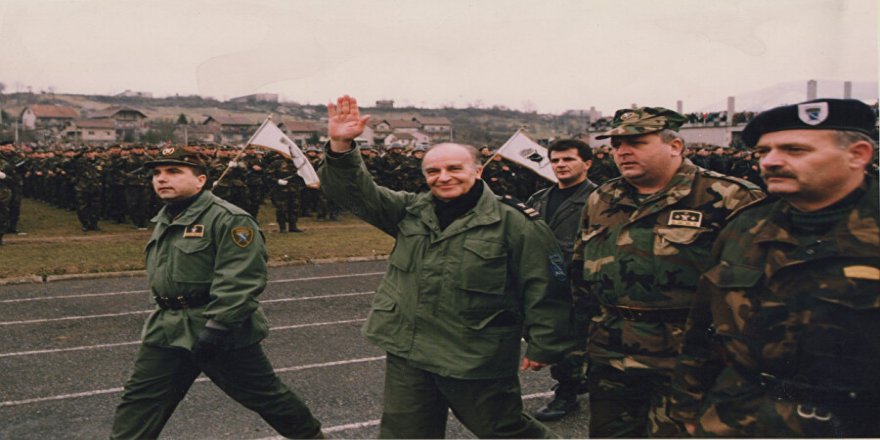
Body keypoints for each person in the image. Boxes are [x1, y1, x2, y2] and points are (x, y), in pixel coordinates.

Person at [319, 95, 577, 439]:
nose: (444, 178)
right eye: (433, 171)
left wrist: (544, 344)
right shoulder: (410, 211)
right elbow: (354, 192)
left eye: (454, 168)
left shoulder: (514, 223)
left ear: (477, 170)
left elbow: (544, 286)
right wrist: (340, 144)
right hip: (409, 348)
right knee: (404, 433)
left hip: (474, 353)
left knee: (504, 430)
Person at [671, 98, 879, 437]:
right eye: (763, 151)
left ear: (858, 155)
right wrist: (688, 405)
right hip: (736, 415)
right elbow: (703, 328)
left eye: (794, 150)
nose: (771, 162)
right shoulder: (745, 227)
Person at [571, 106, 765, 437]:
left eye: (636, 142)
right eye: (616, 144)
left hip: (688, 362)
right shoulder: (602, 198)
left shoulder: (731, 197)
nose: (622, 152)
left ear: (674, 146)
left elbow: (756, 291)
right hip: (611, 355)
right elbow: (579, 271)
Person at [109, 146, 323, 439]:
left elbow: (242, 277)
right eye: (157, 173)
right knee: (139, 402)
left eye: (173, 171)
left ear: (200, 180)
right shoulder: (166, 217)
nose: (161, 179)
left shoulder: (229, 219)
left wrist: (219, 326)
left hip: (217, 329)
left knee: (266, 397)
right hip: (168, 327)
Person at [526, 139, 597, 421]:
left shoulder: (599, 200)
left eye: (568, 159)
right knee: (559, 339)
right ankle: (575, 383)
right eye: (555, 161)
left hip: (582, 283)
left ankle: (567, 394)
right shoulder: (539, 198)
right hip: (546, 281)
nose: (560, 165)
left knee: (576, 342)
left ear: (587, 164)